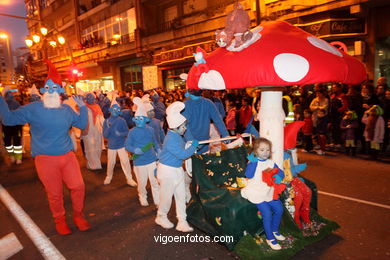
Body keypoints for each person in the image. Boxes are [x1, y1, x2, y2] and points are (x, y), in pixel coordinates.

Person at [0, 62, 90, 235]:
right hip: (45, 159)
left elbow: (82, 124)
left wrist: (84, 108)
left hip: (67, 156)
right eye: (47, 87)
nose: (50, 90)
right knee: (55, 194)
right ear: (42, 91)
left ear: (60, 92)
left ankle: (78, 215)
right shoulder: (33, 108)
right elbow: (9, 120)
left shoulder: (66, 109)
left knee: (78, 186)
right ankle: (60, 220)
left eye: (54, 88)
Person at [155, 101, 198, 232]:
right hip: (168, 171)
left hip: (176, 169)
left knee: (180, 196)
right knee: (166, 197)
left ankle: (182, 220)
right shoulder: (172, 138)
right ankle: (161, 216)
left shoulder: (175, 135)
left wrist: (190, 145)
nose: (185, 129)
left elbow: (182, 150)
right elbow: (182, 154)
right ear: (176, 127)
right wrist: (193, 146)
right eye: (183, 126)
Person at [241, 137, 286, 250]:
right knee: (266, 213)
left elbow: (281, 172)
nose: (265, 152)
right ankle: (270, 238)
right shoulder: (253, 162)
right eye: (262, 150)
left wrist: (278, 176)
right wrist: (253, 163)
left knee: (279, 209)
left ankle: (275, 230)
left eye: (267, 150)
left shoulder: (271, 162)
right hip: (255, 192)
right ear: (255, 151)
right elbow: (249, 175)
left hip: (268, 192)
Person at [125, 97, 160, 207]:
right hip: (139, 161)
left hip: (151, 159)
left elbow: (154, 141)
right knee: (142, 182)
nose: (139, 121)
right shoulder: (132, 132)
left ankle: (157, 198)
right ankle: (142, 196)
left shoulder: (150, 129)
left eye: (142, 118)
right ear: (134, 120)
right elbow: (127, 145)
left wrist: (158, 150)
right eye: (137, 119)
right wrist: (134, 150)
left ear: (146, 120)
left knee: (154, 181)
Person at [102, 98, 137, 186]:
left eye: (117, 110)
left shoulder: (122, 121)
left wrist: (120, 134)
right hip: (111, 145)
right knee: (111, 162)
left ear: (119, 111)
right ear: (110, 111)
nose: (115, 111)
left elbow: (127, 132)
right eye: (114, 109)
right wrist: (109, 128)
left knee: (125, 162)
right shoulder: (106, 121)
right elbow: (105, 135)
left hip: (121, 145)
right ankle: (109, 176)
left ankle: (129, 178)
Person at [182, 89, 229, 153]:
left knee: (193, 161)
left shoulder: (185, 105)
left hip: (192, 143)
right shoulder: (208, 102)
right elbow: (218, 120)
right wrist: (225, 134)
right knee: (204, 160)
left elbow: (184, 125)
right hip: (202, 141)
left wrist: (190, 140)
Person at [82, 93, 104, 170]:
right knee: (90, 146)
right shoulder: (83, 107)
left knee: (98, 145)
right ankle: (93, 164)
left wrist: (105, 127)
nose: (91, 99)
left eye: (92, 98)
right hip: (88, 130)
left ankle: (97, 162)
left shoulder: (97, 107)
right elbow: (81, 120)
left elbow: (101, 118)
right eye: (89, 98)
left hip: (97, 129)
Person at [2, 91, 23, 164]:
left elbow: (21, 114)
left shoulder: (16, 104)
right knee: (10, 142)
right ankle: (14, 157)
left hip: (13, 126)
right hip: (9, 126)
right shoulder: (3, 105)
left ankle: (16, 157)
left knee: (13, 142)